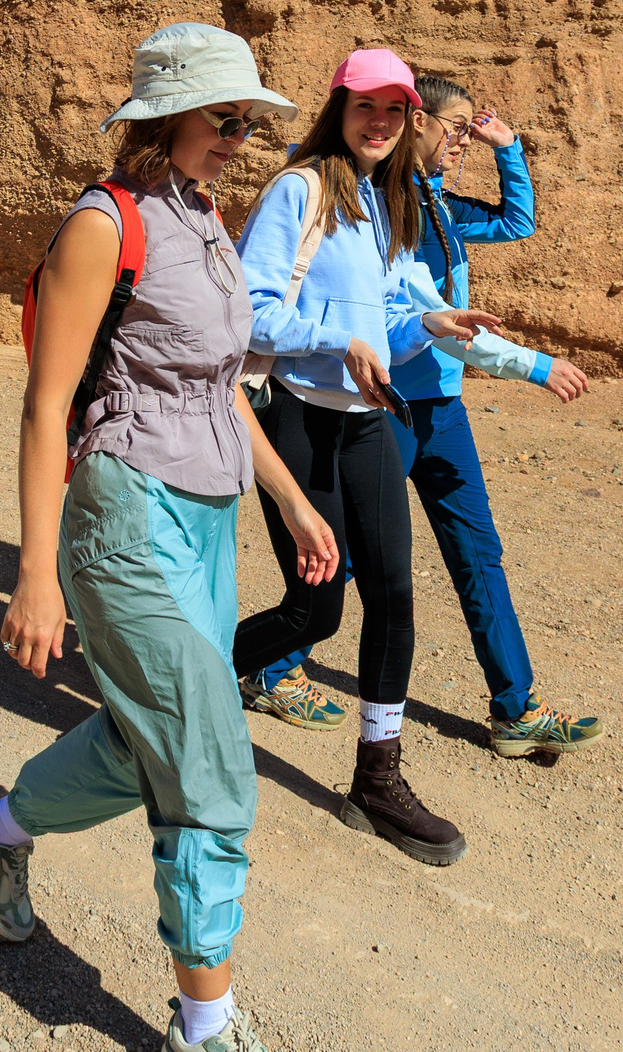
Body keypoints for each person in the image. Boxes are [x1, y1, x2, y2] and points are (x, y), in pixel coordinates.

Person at [0, 22, 339, 1052]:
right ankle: (205, 1025)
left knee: (143, 738)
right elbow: (46, 406)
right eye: (224, 116)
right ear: (165, 116)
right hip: (123, 513)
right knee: (206, 755)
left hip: (207, 514)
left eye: (249, 121)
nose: (240, 136)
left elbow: (218, 385)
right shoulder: (102, 225)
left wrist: (291, 498)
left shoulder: (205, 214)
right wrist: (36, 573)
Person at [244, 76, 604, 757]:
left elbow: (515, 223)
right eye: (457, 127)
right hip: (389, 407)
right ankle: (272, 666)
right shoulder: (369, 200)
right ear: (420, 125)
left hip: (444, 406)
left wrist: (511, 148)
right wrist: (531, 364)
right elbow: (408, 308)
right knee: (346, 562)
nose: (465, 140)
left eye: (472, 129)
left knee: (477, 553)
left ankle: (514, 706)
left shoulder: (436, 204)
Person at [231, 49, 499, 868]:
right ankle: (189, 685)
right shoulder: (300, 187)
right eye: (365, 106)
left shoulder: (387, 202)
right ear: (339, 107)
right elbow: (248, 310)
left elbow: (379, 318)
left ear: (411, 118)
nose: (379, 122)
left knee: (393, 595)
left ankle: (374, 780)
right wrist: (333, 341)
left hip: (368, 420)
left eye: (395, 110)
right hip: (301, 419)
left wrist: (430, 327)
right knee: (316, 611)